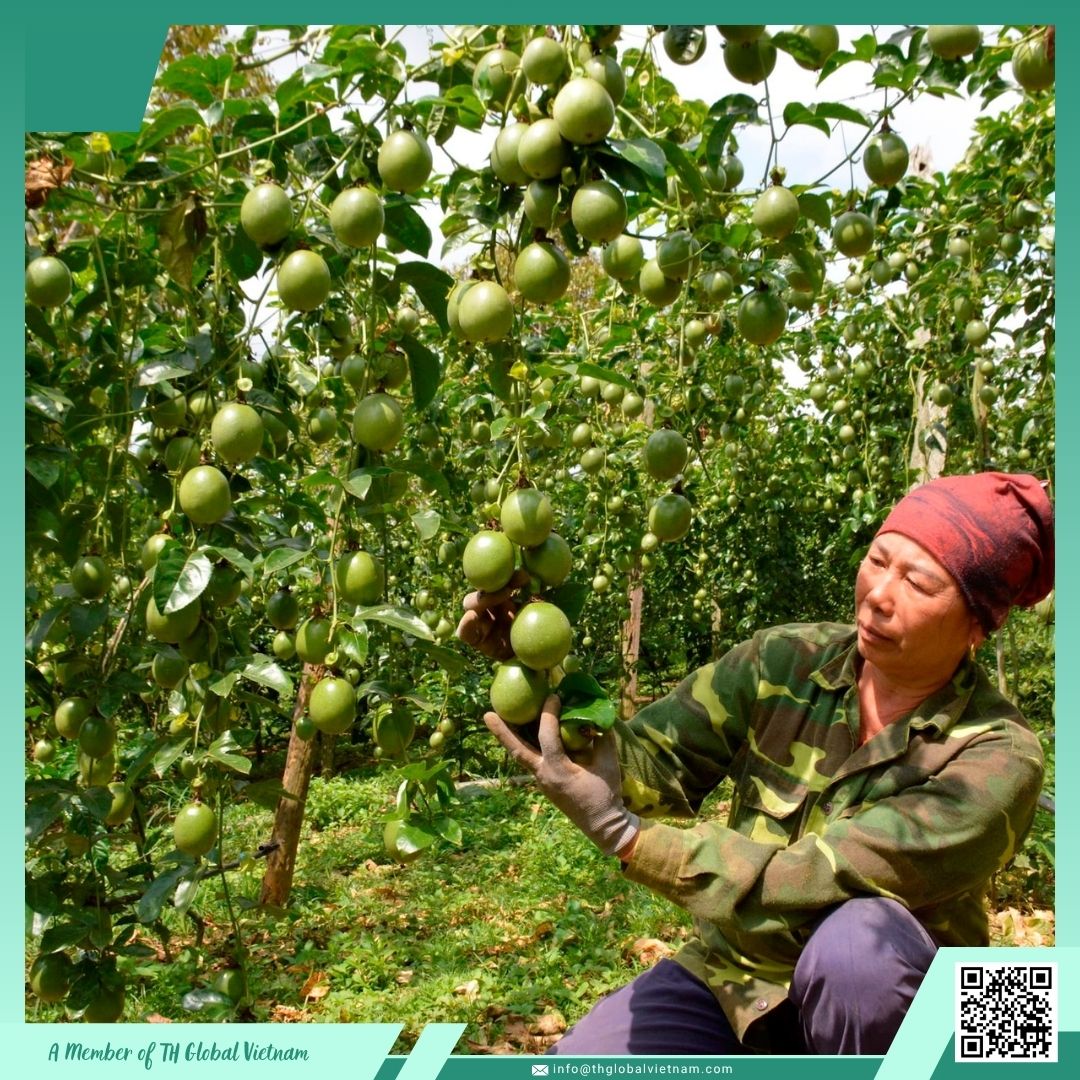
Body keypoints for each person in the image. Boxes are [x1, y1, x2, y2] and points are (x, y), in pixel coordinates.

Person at [458, 471, 1054, 1055]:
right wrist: (537, 675)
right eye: (877, 560)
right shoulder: (786, 659)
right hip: (743, 978)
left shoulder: (1000, 755)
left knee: (856, 947)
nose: (879, 595)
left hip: (919, 1010)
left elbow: (821, 875)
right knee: (582, 1066)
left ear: (979, 623)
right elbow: (649, 757)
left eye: (919, 584)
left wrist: (631, 839)